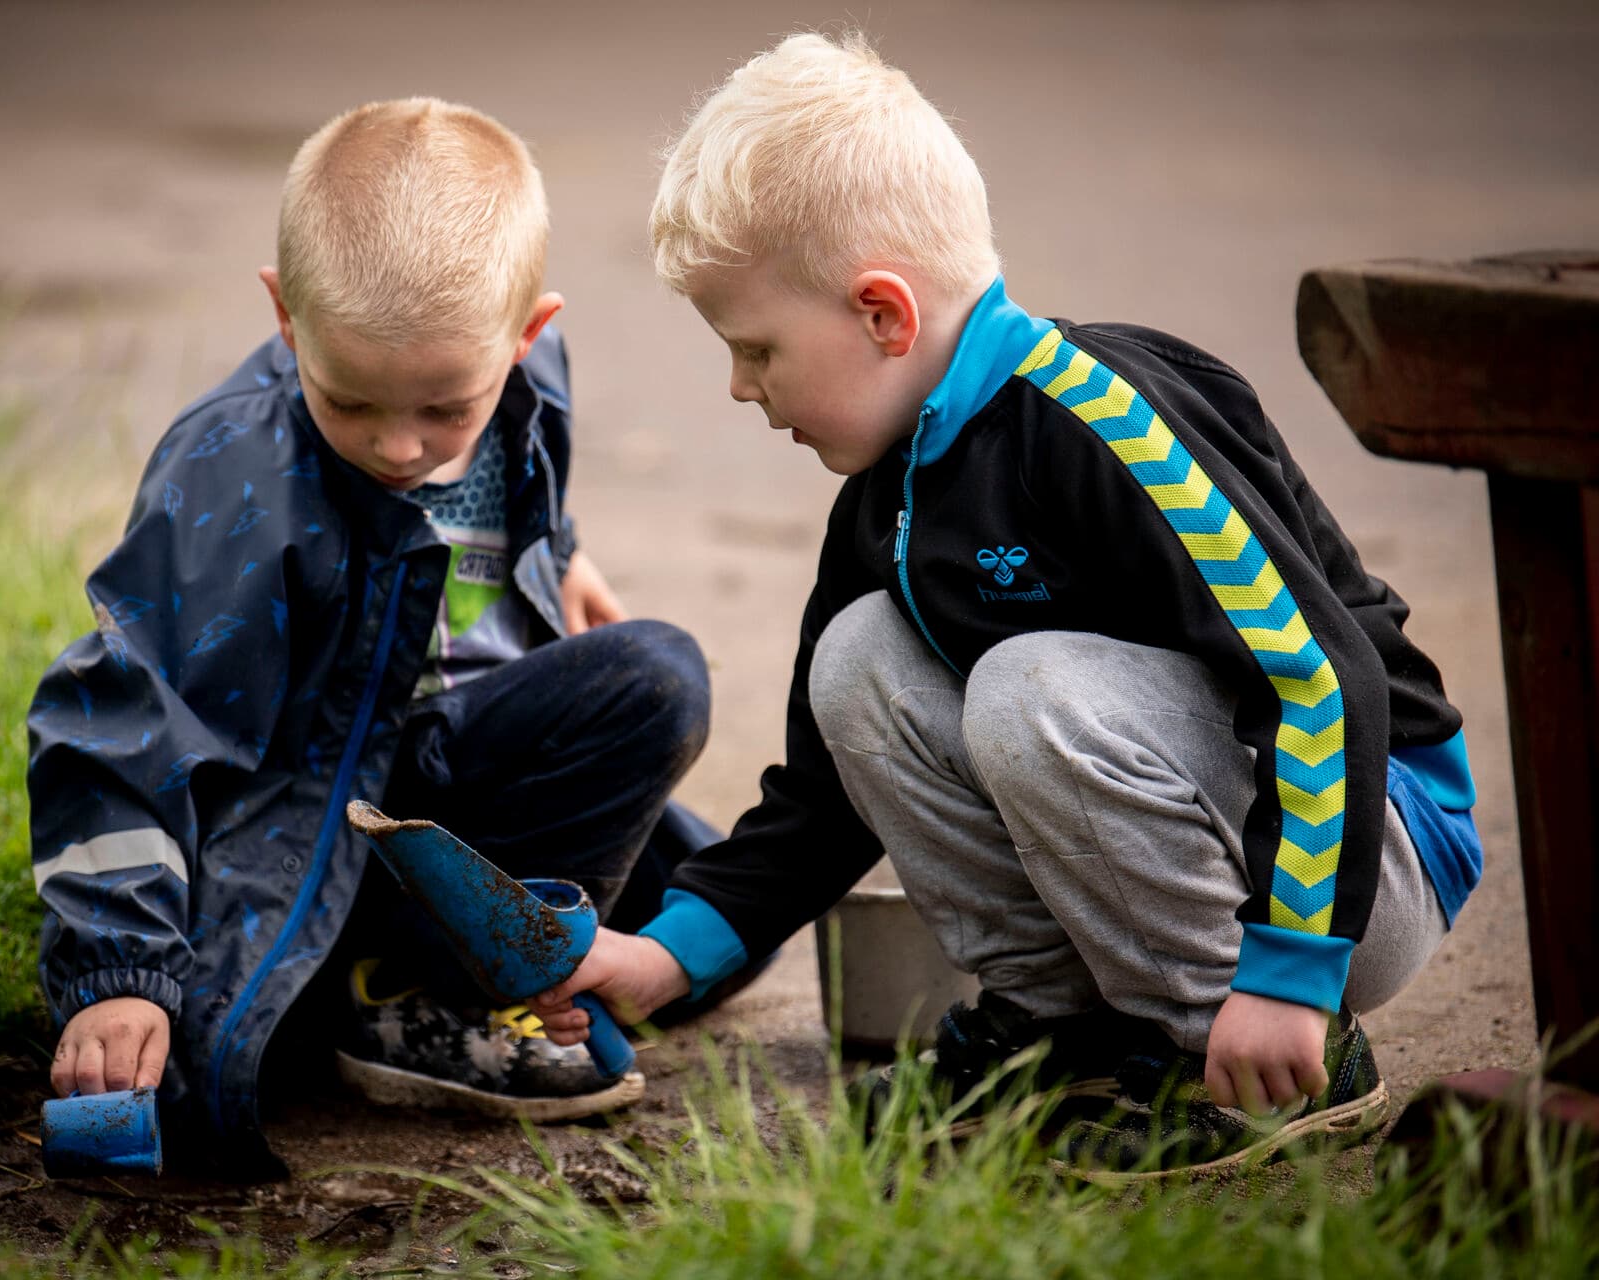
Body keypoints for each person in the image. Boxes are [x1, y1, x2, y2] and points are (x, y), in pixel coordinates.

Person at [529, 33, 1483, 1181]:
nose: (741, 385)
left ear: (883, 314)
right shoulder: (890, 491)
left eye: (758, 348)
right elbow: (822, 797)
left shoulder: (1105, 428)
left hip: (1361, 861)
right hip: (1228, 852)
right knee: (857, 659)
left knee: (1029, 689)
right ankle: (1061, 1034)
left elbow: (1321, 680)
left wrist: (1290, 972)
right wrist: (665, 956)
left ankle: (1254, 1058)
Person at [27, 98, 718, 1176]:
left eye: (446, 410)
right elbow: (122, 722)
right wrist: (119, 972)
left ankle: (476, 958)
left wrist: (558, 555)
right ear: (286, 315)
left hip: (458, 777)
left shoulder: (531, 383)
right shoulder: (232, 479)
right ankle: (422, 994)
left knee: (714, 922)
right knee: (658, 677)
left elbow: (512, 495)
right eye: (350, 404)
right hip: (328, 824)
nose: (400, 448)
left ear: (526, 334)